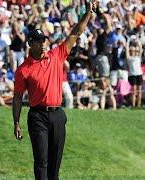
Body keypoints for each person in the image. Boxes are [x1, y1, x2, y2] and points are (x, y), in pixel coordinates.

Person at [12, 1, 97, 179]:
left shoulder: (56, 54)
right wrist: (16, 123)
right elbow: (18, 97)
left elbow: (76, 32)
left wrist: (87, 13)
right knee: (41, 161)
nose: (43, 44)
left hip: (57, 114)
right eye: (38, 41)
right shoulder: (23, 69)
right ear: (30, 44)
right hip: (37, 116)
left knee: (55, 163)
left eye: (44, 40)